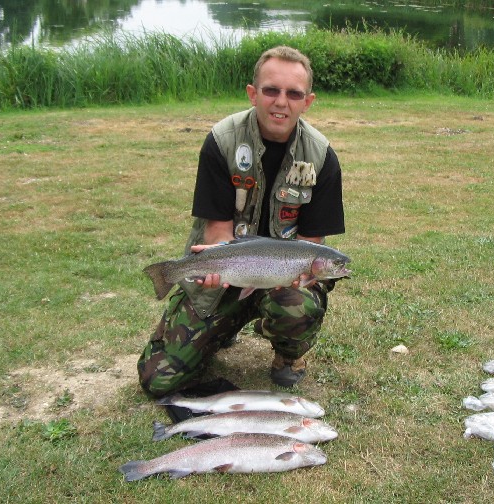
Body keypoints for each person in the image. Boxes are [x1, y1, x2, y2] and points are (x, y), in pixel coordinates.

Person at [138, 46, 345, 397]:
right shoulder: (222, 141)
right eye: (271, 90)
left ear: (307, 101)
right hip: (230, 271)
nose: (282, 102)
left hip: (283, 282)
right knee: (158, 379)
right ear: (253, 93)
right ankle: (221, 325)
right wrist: (208, 265)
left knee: (295, 306)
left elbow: (313, 243)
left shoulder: (321, 156)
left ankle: (287, 356)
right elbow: (219, 232)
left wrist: (307, 277)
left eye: (293, 93)